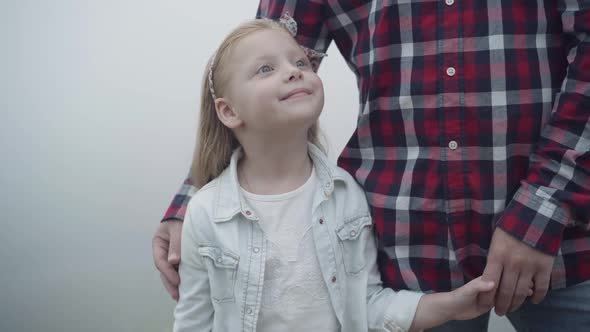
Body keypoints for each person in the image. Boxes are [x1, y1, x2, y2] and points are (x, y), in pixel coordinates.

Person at [155, 1, 590, 331]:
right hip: (408, 243)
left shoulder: (342, 202)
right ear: (226, 111)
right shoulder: (214, 218)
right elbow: (253, 50)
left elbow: (369, 307)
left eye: (302, 64)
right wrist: (193, 201)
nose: (294, 72)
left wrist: (542, 207)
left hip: (566, 238)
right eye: (273, 69)